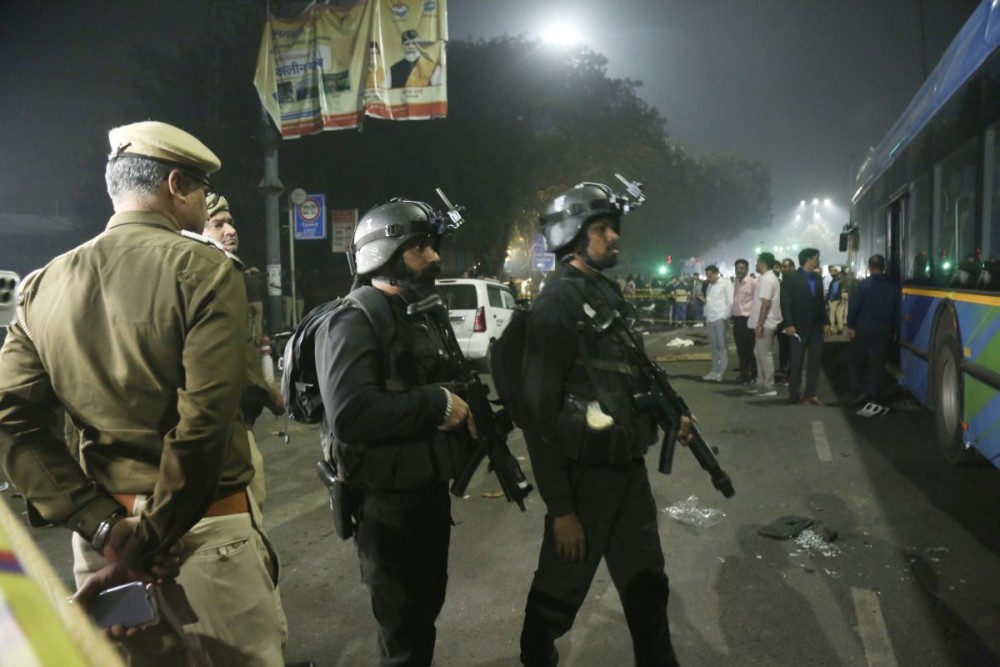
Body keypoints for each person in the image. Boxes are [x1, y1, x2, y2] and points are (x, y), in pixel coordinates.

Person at [0, 121, 285, 664]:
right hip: (201, 538)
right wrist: (146, 542)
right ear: (176, 185)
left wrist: (107, 528)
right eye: (201, 187)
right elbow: (202, 423)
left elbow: (11, 419)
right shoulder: (203, 271)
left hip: (105, 542)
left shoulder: (42, 285)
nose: (205, 202)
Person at [519, 181, 683, 667]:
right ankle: (534, 656)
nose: (614, 237)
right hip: (582, 479)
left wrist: (669, 413)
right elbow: (538, 417)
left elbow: (621, 379)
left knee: (647, 585)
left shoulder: (603, 294)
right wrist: (562, 510)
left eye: (614, 227)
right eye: (602, 228)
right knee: (559, 593)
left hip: (626, 471)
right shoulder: (555, 307)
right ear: (572, 234)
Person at [315, 199, 477, 667]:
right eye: (419, 248)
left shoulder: (416, 313)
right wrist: (436, 404)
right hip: (385, 507)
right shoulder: (353, 318)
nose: (434, 257)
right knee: (402, 629)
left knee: (423, 616)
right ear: (383, 254)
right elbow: (351, 413)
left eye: (432, 246)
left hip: (425, 497)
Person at [202, 195, 284, 507]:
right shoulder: (210, 277)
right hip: (223, 428)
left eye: (231, 222)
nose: (230, 230)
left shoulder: (231, 272)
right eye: (218, 225)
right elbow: (222, 361)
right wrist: (267, 392)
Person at [847, 254, 901, 410]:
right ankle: (874, 393)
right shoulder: (894, 286)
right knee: (878, 362)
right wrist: (896, 329)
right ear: (884, 267)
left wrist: (851, 326)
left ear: (869, 267)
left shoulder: (863, 285)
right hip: (884, 328)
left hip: (863, 328)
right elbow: (898, 310)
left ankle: (858, 390)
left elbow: (854, 308)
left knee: (856, 359)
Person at [780, 247, 827, 405]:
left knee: (814, 361)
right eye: (817, 258)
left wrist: (826, 322)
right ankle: (794, 394)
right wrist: (789, 324)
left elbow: (821, 303)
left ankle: (810, 394)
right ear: (809, 259)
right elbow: (785, 303)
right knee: (797, 362)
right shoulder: (791, 277)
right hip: (798, 328)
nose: (818, 261)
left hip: (816, 327)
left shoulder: (817, 278)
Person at [745, 253, 782, 397]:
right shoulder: (767, 278)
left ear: (762, 263)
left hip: (766, 323)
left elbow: (765, 304)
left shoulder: (767, 280)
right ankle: (761, 383)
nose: (755, 264)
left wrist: (760, 325)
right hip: (763, 322)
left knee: (765, 355)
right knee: (758, 353)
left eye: (757, 262)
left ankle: (769, 386)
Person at [702, 264, 733, 381]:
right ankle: (714, 371)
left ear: (716, 273)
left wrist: (724, 317)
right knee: (714, 347)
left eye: (710, 276)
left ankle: (721, 372)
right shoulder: (710, 286)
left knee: (722, 346)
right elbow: (709, 302)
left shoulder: (726, 283)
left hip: (720, 318)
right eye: (707, 276)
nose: (709, 278)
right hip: (710, 318)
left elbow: (730, 301)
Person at [730, 258, 757, 384]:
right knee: (740, 348)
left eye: (742, 268)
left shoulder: (753, 283)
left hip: (748, 320)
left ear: (747, 269)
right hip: (738, 320)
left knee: (749, 348)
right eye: (737, 268)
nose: (739, 270)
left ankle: (753, 373)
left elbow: (758, 302)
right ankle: (743, 373)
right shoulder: (736, 282)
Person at [776, 258, 796, 379]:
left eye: (786, 266)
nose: (784, 269)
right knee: (783, 347)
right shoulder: (781, 283)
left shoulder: (796, 282)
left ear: (793, 267)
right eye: (783, 267)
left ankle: (791, 371)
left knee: (792, 349)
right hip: (781, 320)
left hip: (792, 321)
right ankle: (784, 368)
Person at [827, 266, 846, 334]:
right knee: (839, 313)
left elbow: (834, 291)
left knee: (832, 314)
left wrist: (831, 298)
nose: (831, 273)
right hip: (841, 299)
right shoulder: (840, 280)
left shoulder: (834, 280)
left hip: (834, 299)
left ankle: (832, 328)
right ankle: (840, 328)